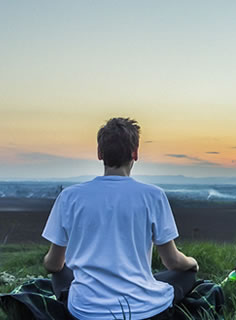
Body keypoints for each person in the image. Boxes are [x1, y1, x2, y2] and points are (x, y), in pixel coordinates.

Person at [42, 117, 199, 320]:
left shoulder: (69, 197)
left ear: (100, 154)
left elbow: (53, 265)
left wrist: (55, 262)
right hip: (144, 311)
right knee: (186, 273)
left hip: (85, 311)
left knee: (60, 272)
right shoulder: (153, 195)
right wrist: (192, 262)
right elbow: (173, 262)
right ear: (135, 153)